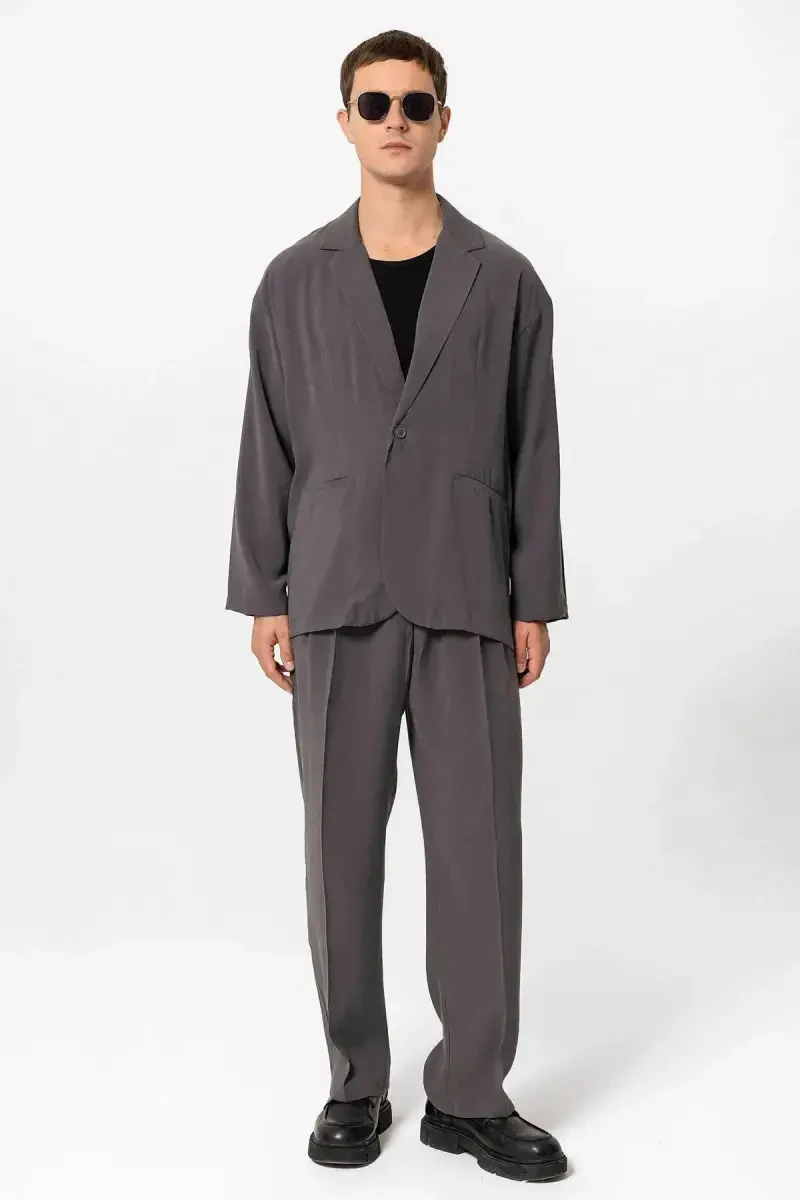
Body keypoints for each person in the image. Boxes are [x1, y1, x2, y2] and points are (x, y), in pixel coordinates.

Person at [225, 28, 570, 1183]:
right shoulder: (291, 280)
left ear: (442, 121)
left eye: (414, 103)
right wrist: (262, 589)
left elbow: (533, 446)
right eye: (372, 103)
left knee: (477, 849)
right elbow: (265, 438)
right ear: (343, 122)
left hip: (468, 588)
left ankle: (468, 1093)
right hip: (331, 589)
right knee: (338, 850)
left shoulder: (504, 279)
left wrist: (533, 593)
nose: (393, 121)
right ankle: (353, 1081)